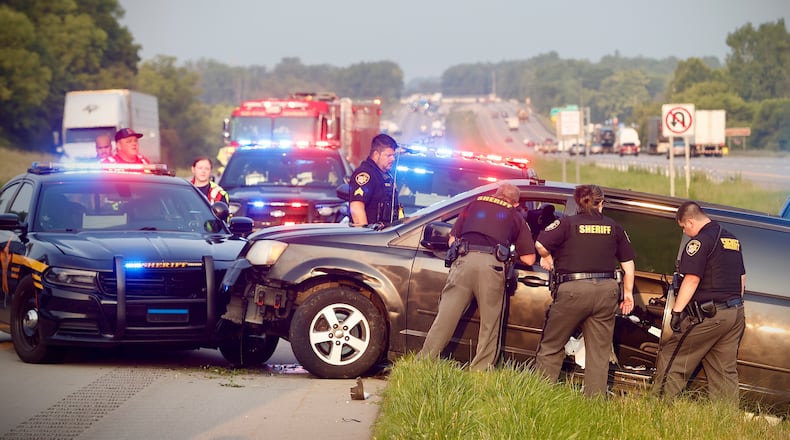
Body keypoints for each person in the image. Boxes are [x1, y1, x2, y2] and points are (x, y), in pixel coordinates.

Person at [419, 182, 536, 371]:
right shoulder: (515, 216)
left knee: (445, 317)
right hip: (492, 269)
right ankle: (480, 371)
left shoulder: (473, 205)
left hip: (463, 263)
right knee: (490, 324)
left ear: (496, 194)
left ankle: (423, 363)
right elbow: (529, 259)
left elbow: (451, 240)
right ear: (515, 203)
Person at [533, 184, 635, 397]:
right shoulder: (613, 227)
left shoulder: (566, 223)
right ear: (602, 202)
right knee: (598, 353)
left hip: (573, 290)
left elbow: (540, 243)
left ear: (578, 202)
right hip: (606, 292)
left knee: (552, 345)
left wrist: (546, 257)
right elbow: (628, 264)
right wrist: (627, 294)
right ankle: (594, 402)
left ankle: (541, 395)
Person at [652, 201, 745, 406]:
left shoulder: (700, 242)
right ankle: (726, 421)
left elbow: (692, 279)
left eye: (684, 227)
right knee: (723, 370)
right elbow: (741, 279)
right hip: (735, 313)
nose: (685, 233)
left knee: (673, 357)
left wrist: (677, 312)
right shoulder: (731, 238)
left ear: (691, 221)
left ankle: (656, 409)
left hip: (710, 314)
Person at [349, 134, 400, 226]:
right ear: (376, 154)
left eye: (393, 155)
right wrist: (365, 234)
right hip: (371, 237)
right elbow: (356, 206)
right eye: (388, 155)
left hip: (386, 235)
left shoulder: (385, 175)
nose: (393, 159)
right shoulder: (366, 174)